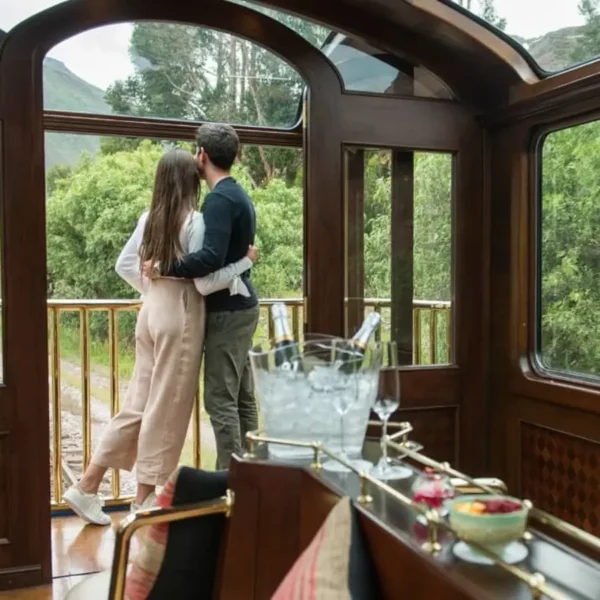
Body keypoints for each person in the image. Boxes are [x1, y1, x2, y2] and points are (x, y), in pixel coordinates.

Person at [63, 149, 257, 526]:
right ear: (189, 182)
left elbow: (124, 264)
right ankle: (143, 501)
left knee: (138, 403)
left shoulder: (148, 217)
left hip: (151, 310)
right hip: (180, 315)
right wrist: (245, 262)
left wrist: (152, 288)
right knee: (168, 408)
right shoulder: (195, 222)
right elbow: (204, 283)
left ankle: (87, 485)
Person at [144, 123, 259, 470]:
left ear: (202, 155)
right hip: (241, 306)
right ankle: (250, 474)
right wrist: (245, 262)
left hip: (228, 311)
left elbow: (209, 259)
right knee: (242, 397)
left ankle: (230, 482)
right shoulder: (238, 194)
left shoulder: (218, 201)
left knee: (220, 399)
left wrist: (163, 267)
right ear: (234, 157)